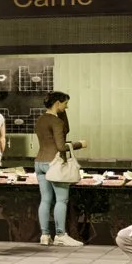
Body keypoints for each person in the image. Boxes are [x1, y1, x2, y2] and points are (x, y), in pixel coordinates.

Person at [34, 90, 88, 246]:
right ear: (57, 103)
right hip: (55, 164)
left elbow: (66, 130)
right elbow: (61, 146)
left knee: (45, 200)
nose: (67, 107)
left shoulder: (40, 120)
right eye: (65, 104)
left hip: (39, 163)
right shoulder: (56, 122)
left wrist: (61, 113)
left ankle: (45, 235)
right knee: (61, 200)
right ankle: (60, 235)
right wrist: (79, 144)